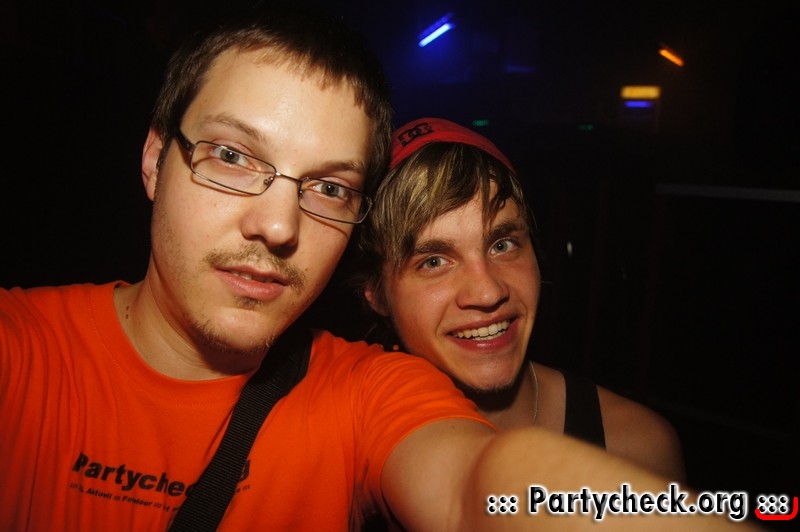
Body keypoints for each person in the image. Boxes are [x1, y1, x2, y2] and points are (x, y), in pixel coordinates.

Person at [0, 4, 751, 531]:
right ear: (155, 159)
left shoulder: (364, 394)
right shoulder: (24, 351)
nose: (278, 225)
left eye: (329, 188)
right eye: (232, 156)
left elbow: (475, 489)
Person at [356, 117, 685, 481]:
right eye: (433, 261)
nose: (488, 292)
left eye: (502, 244)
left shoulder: (637, 450)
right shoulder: (344, 454)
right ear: (376, 294)